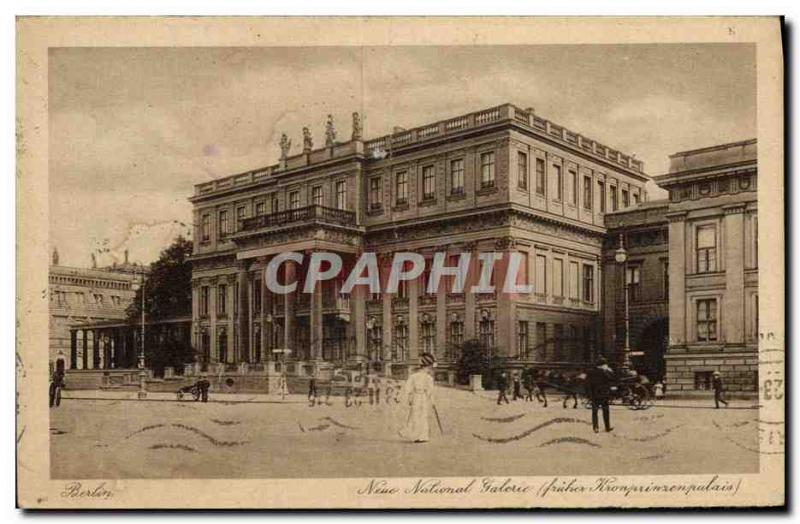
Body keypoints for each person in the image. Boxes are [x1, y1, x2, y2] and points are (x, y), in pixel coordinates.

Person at [398, 353, 437, 443]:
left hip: (416, 396)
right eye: (429, 368)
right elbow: (430, 391)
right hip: (423, 397)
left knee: (414, 415)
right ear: (427, 367)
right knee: (422, 415)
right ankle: (421, 436)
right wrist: (432, 401)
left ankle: (416, 435)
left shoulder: (413, 376)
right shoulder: (428, 378)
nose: (429, 370)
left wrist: (409, 397)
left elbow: (408, 388)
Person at [586, 357, 614, 433]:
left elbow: (588, 384)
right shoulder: (605, 372)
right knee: (606, 411)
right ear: (603, 365)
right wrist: (609, 371)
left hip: (594, 394)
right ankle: (607, 427)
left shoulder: (590, 372)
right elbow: (611, 379)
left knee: (594, 412)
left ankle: (595, 427)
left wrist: (589, 395)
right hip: (604, 394)